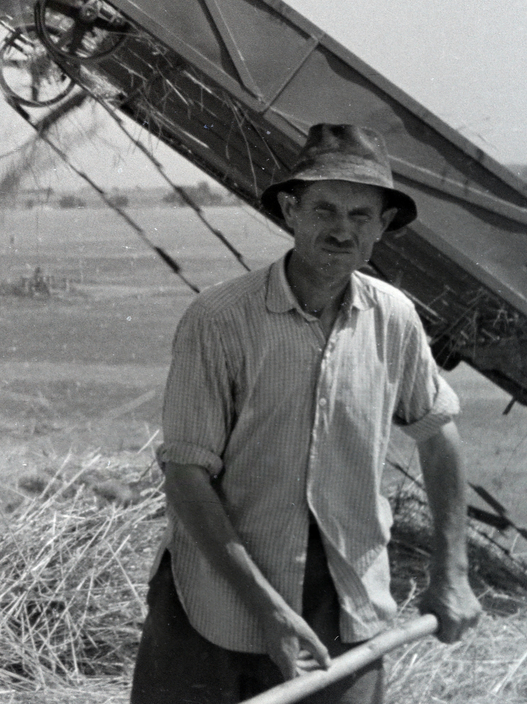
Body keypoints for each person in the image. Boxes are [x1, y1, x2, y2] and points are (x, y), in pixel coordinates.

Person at [131, 123, 483, 704]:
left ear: (383, 226)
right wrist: (266, 608)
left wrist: (452, 572)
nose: (342, 230)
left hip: (343, 604)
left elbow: (439, 434)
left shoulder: (393, 318)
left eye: (361, 215)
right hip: (216, 603)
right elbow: (186, 476)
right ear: (291, 211)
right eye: (324, 209)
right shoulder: (220, 320)